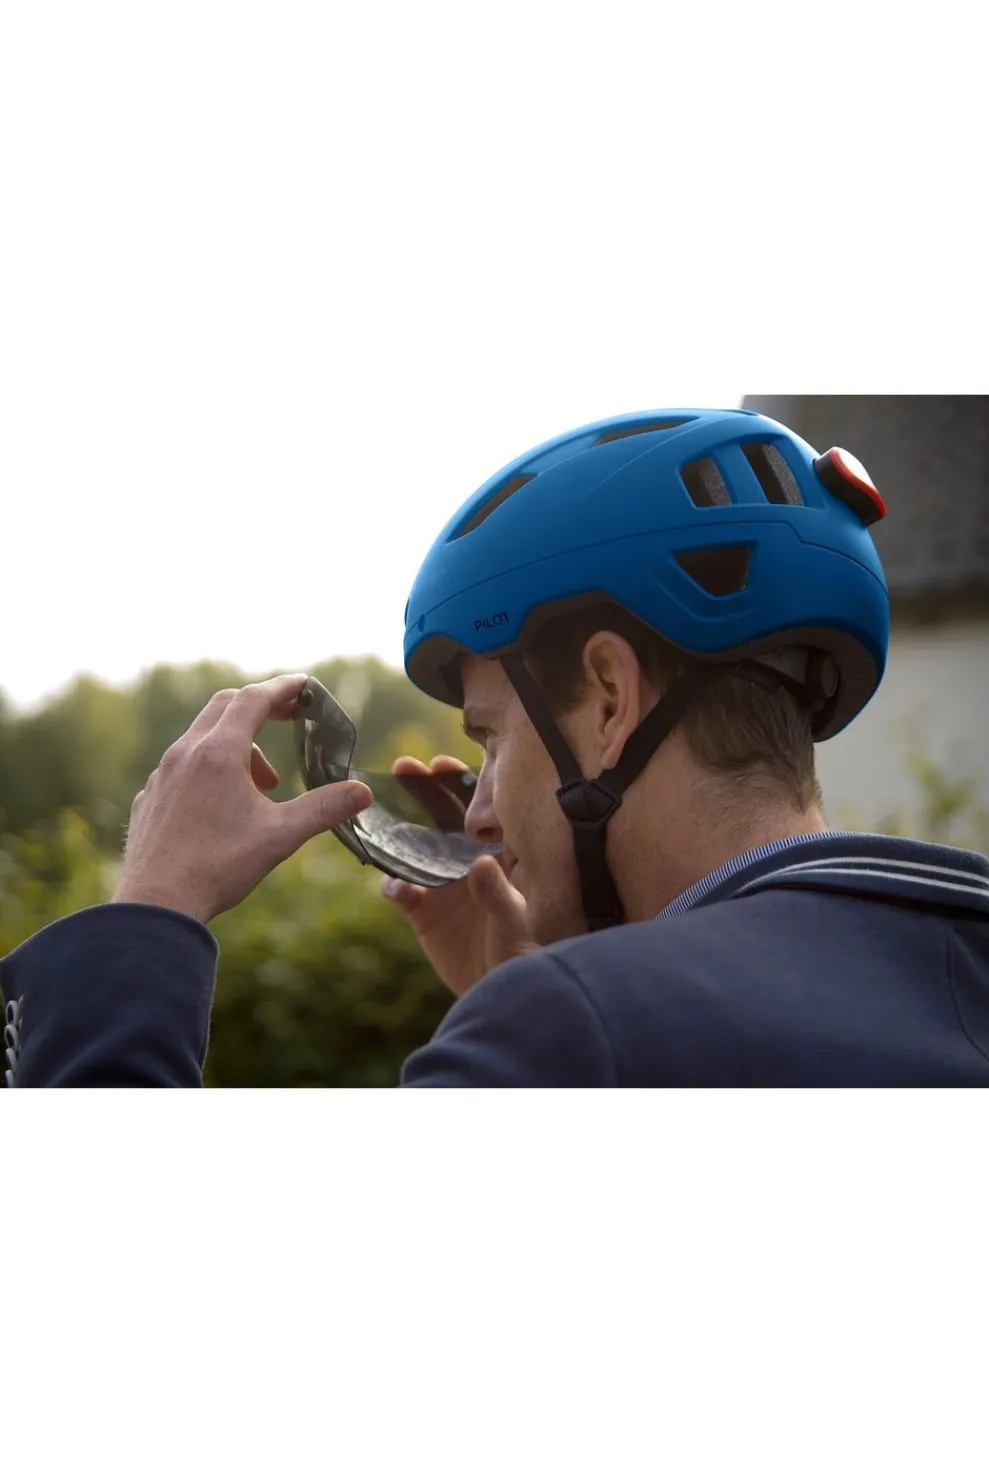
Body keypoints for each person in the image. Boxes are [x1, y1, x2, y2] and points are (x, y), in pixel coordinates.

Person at [3, 408, 988, 1087]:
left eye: (492, 734)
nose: (476, 812)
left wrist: (149, 909)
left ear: (610, 698)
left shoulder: (567, 1033)